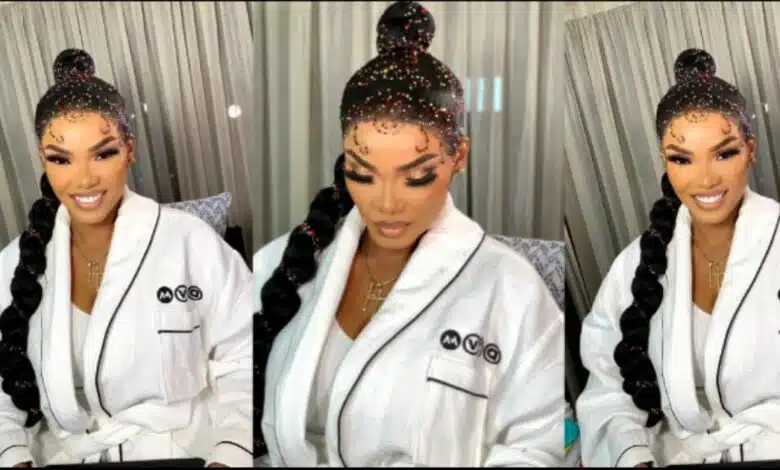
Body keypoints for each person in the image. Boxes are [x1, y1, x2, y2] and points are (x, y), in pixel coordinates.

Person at [252, 1, 564, 467]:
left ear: (459, 157)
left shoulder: (511, 289)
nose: (386, 203)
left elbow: (537, 445)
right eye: (362, 173)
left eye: (416, 176)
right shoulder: (278, 263)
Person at [0, 49, 253, 467]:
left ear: (129, 150)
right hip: (62, 456)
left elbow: (243, 357)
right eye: (61, 159)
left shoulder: (191, 243)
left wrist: (229, 453)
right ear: (43, 160)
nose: (84, 178)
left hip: (183, 452)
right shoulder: (13, 265)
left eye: (103, 153)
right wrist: (13, 456)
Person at [576, 48, 780, 467]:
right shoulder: (634, 266)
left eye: (724, 153)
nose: (705, 179)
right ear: (664, 162)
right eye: (682, 159)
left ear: (751, 149)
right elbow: (607, 385)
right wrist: (633, 454)